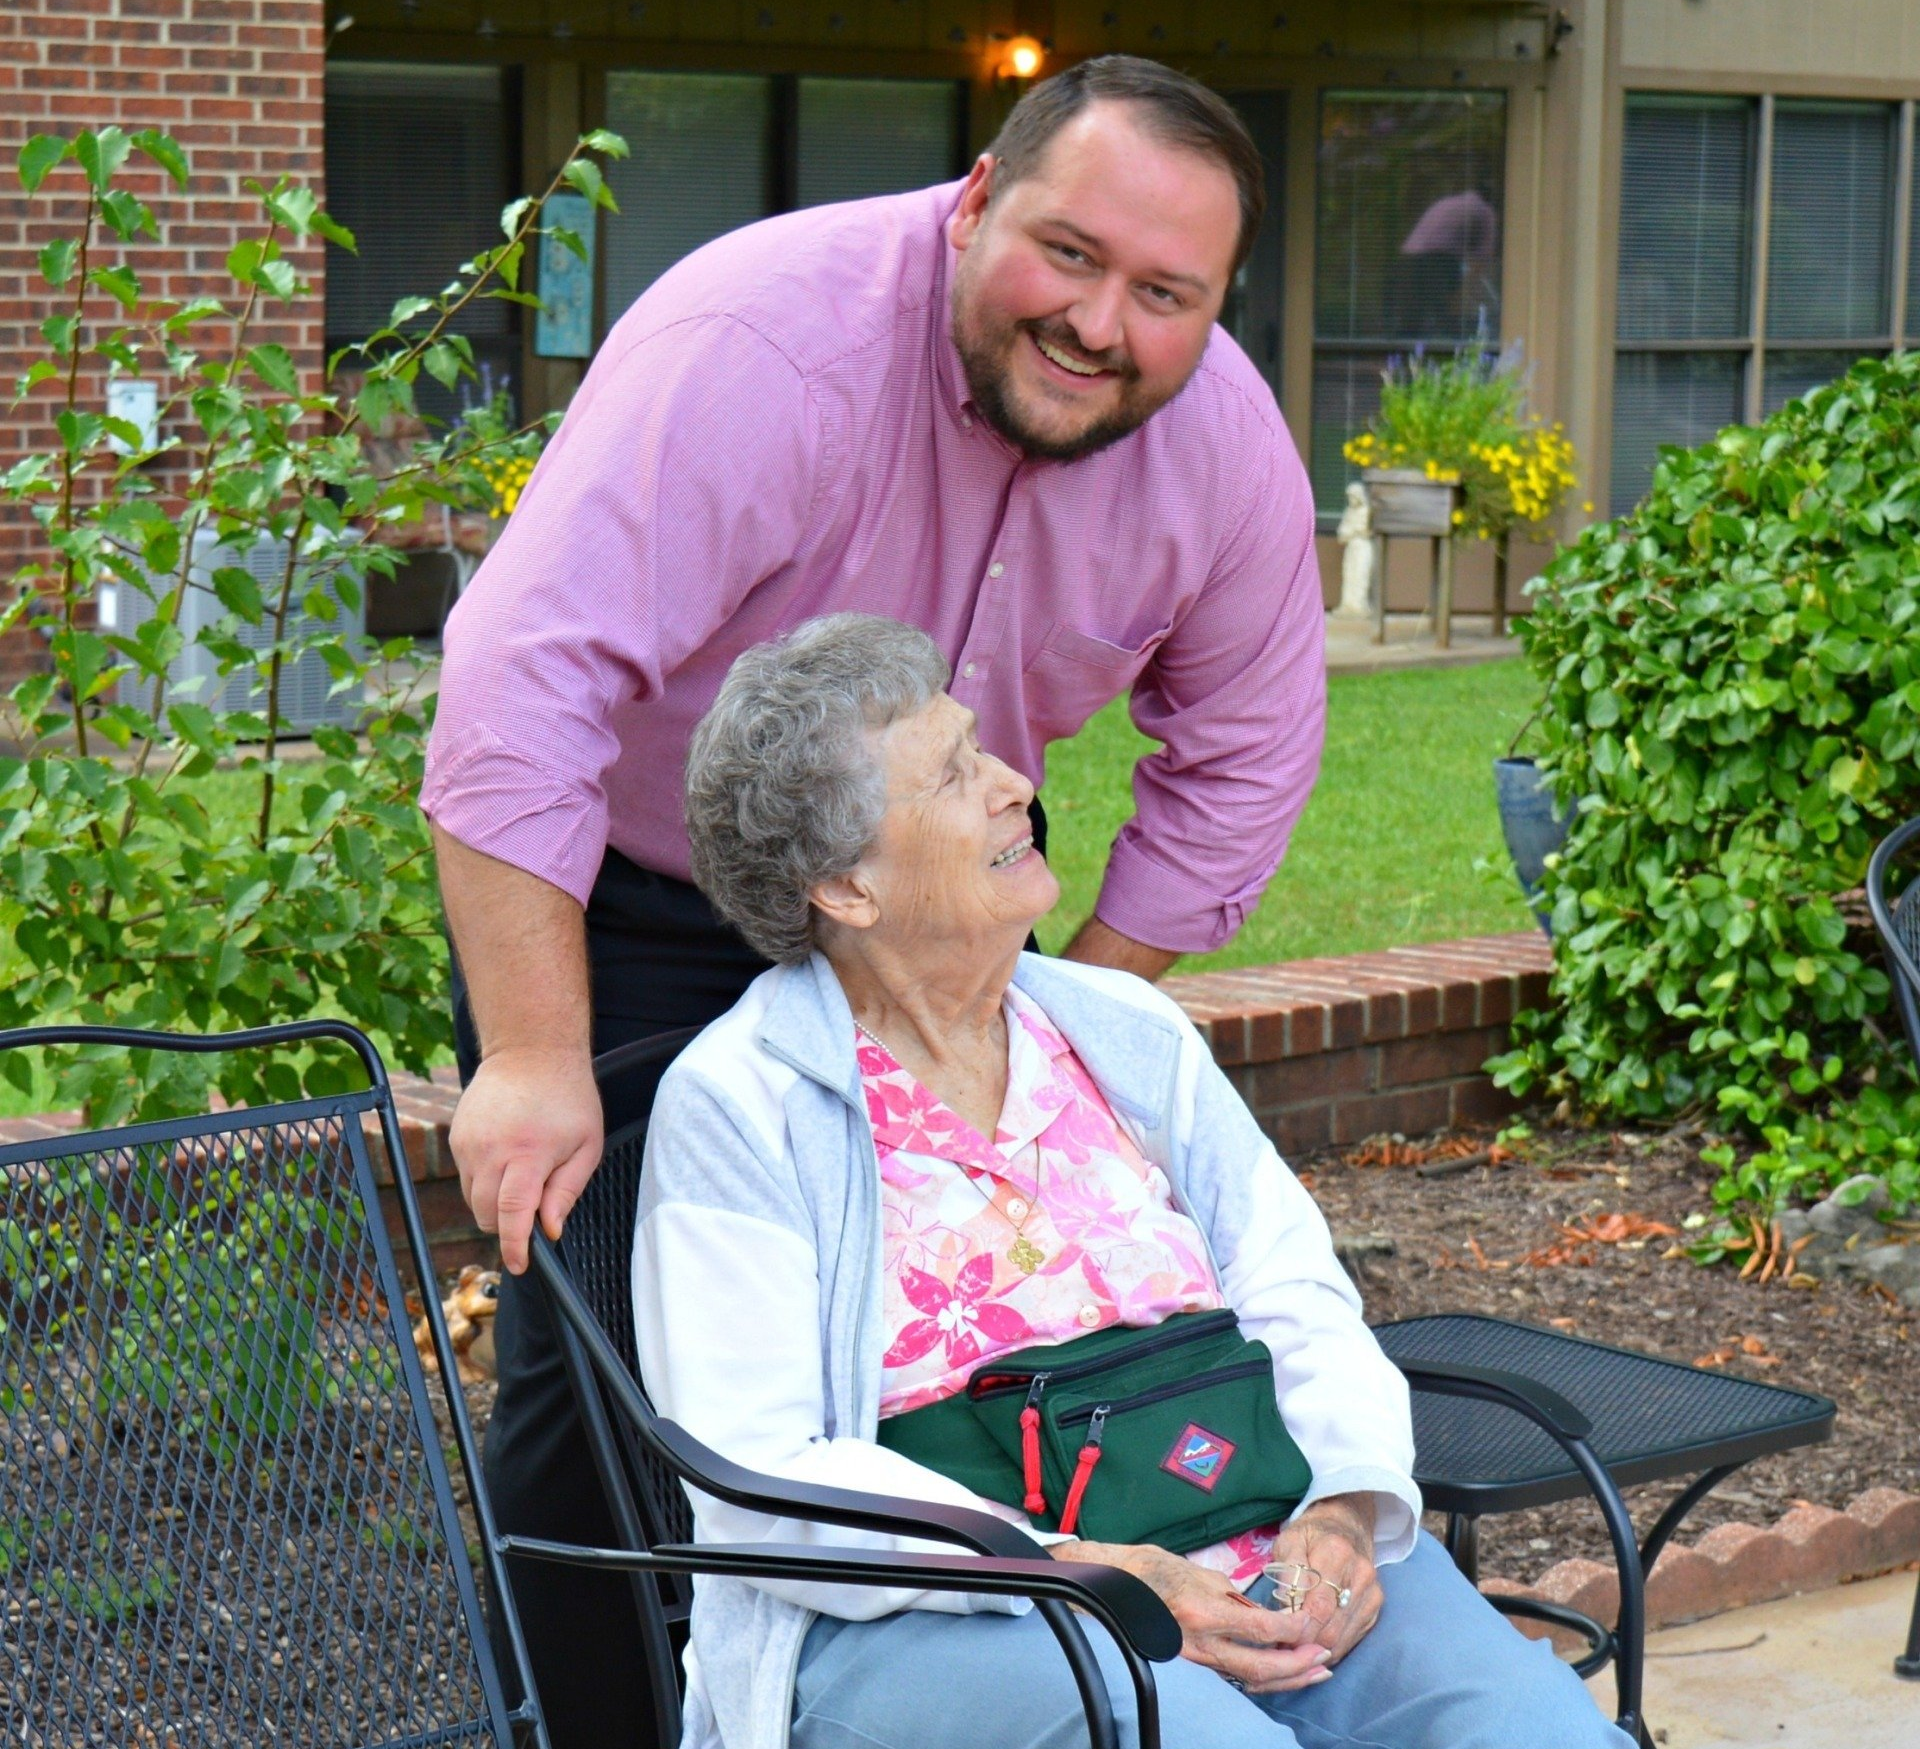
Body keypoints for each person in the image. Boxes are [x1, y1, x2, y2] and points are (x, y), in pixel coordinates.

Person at [424, 56, 1327, 1746]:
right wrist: (536, 1055)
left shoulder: (1224, 450)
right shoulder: (763, 347)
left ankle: (939, 1696)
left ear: (1213, 309)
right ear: (976, 197)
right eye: (1067, 251)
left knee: (986, 1348)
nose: (1099, 319)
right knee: (606, 1384)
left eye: (1164, 294)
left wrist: (1073, 1008)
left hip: (935, 888)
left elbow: (1246, 755)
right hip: (628, 899)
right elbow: (517, 687)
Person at [635, 614, 1630, 1749]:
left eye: (986, 749)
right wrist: (1086, 1573)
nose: (1015, 784)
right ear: (846, 888)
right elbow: (762, 1472)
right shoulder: (744, 1104)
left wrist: (1347, 1509)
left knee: (1538, 1733)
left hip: (1256, 1546)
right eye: (957, 773)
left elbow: (1290, 1285)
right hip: (960, 1615)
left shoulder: (1124, 1030)